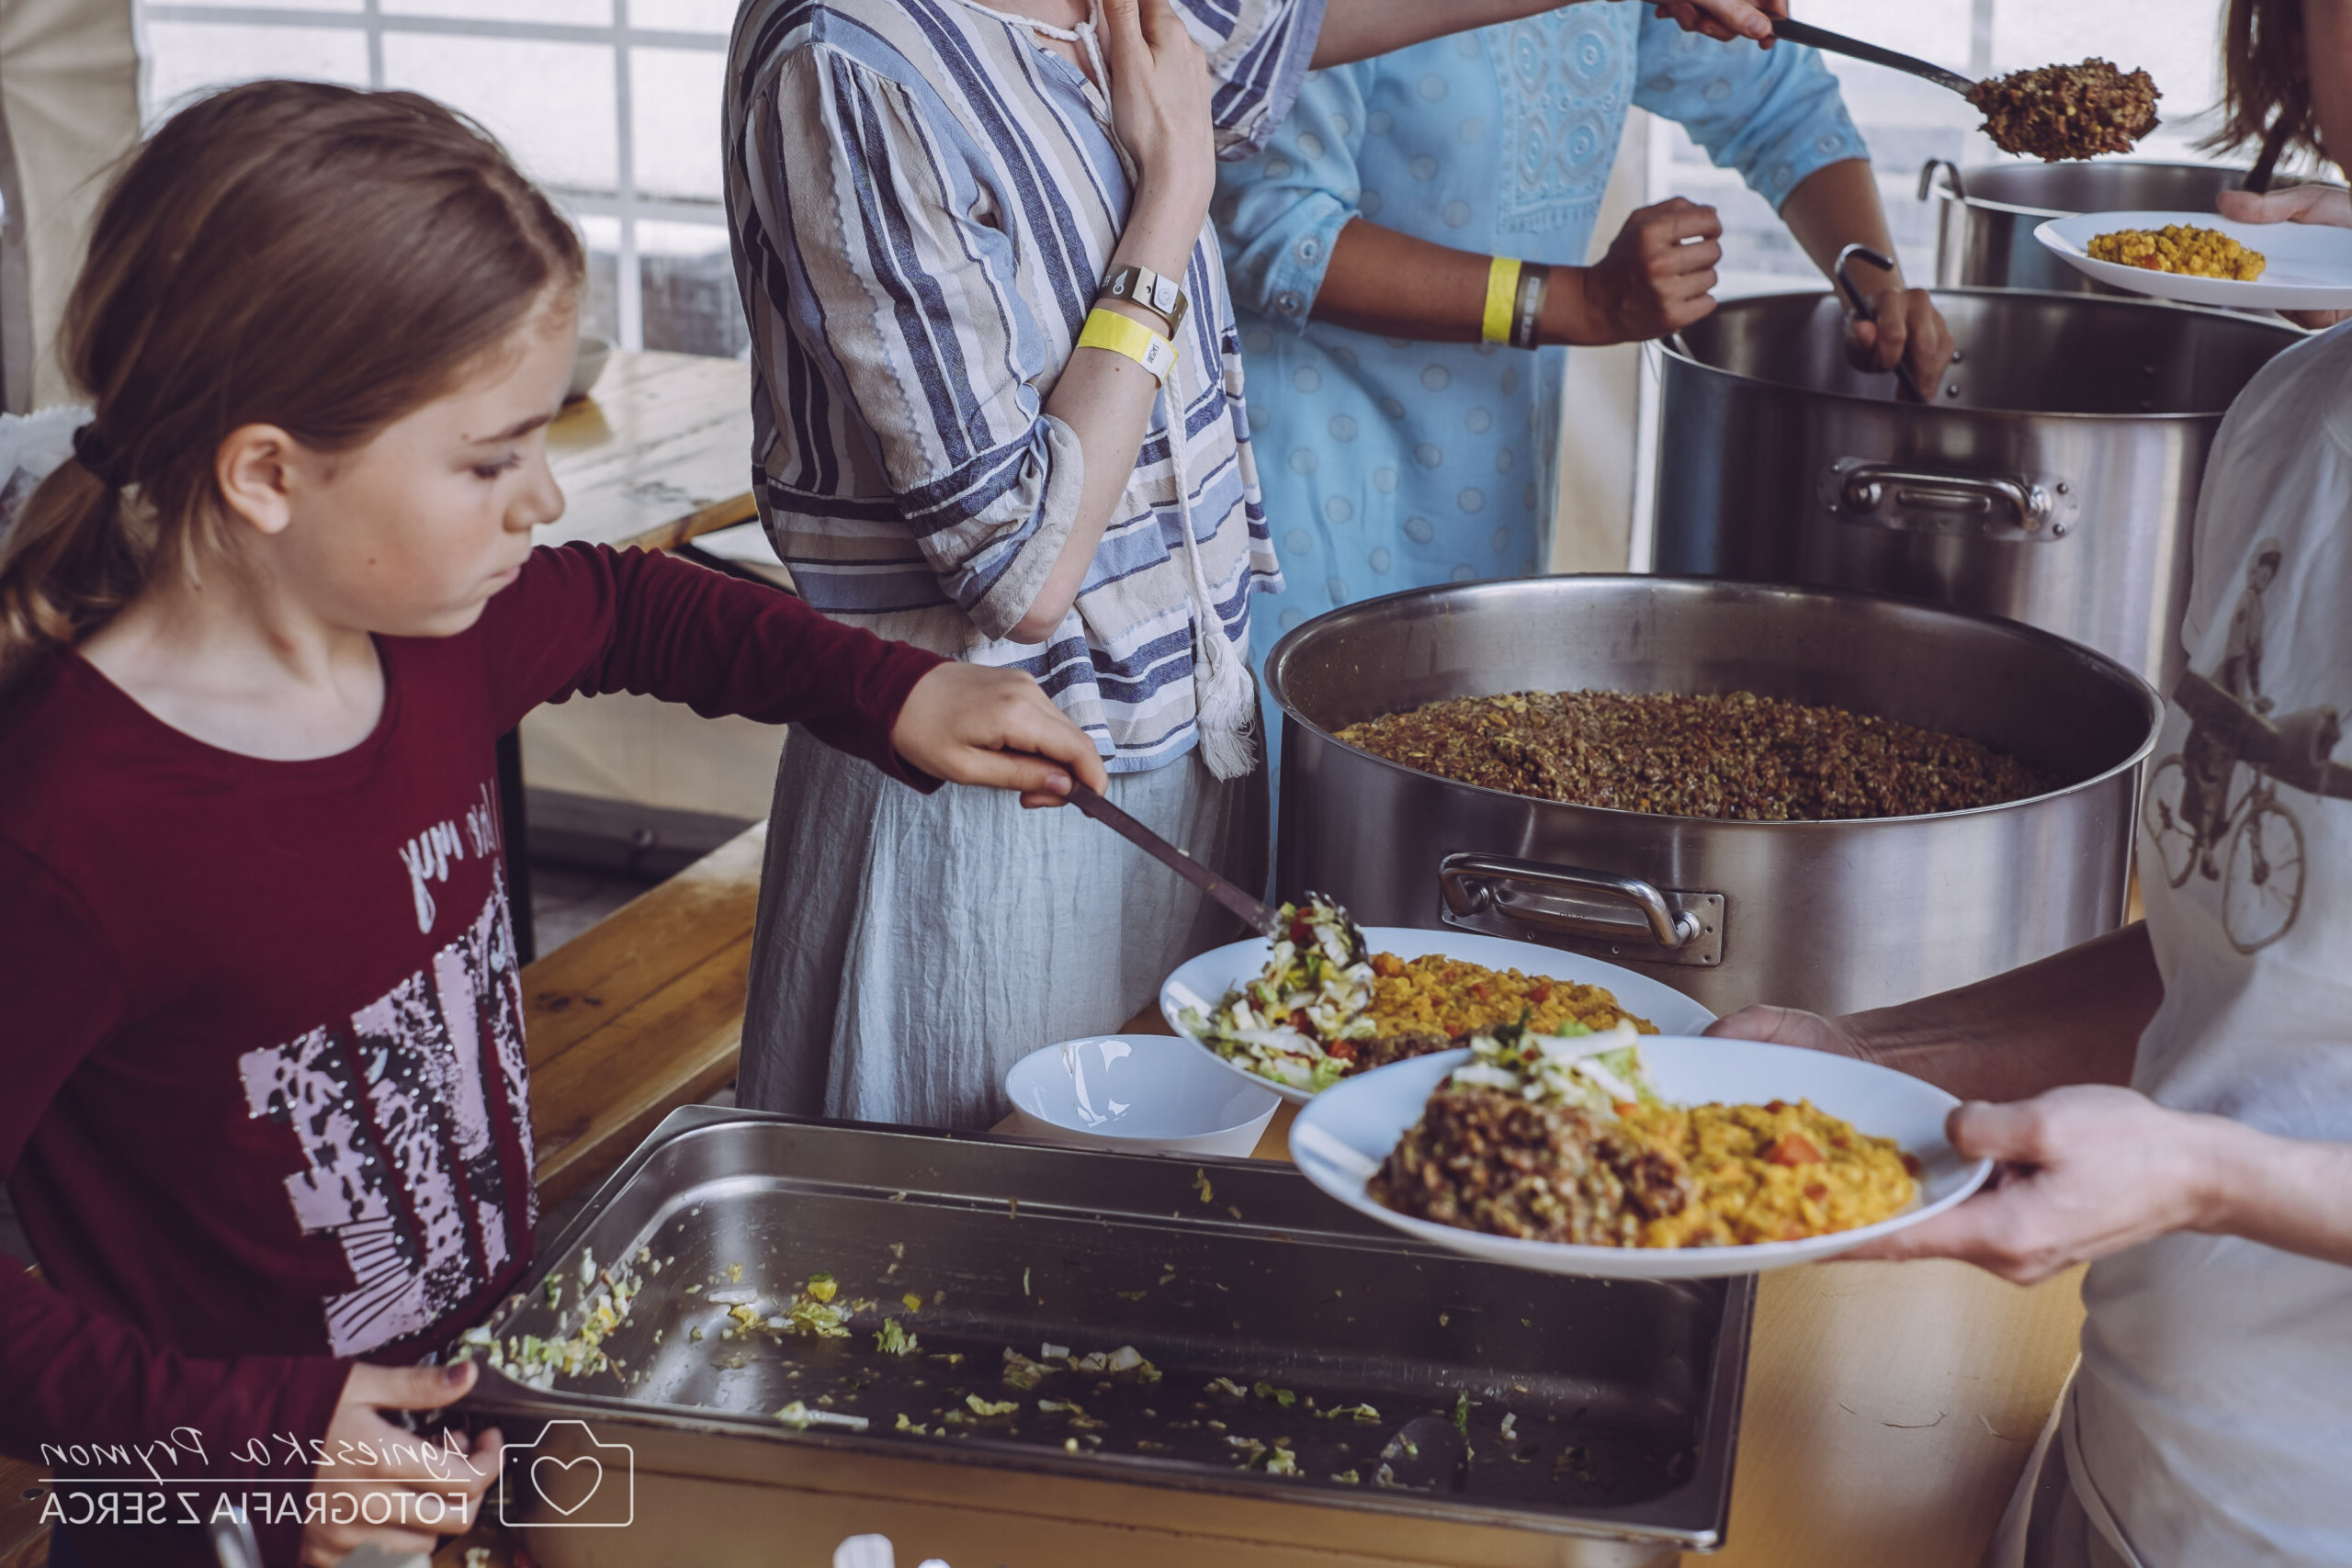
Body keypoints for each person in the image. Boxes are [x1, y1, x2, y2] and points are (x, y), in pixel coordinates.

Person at [0, 81, 1103, 1568]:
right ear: (266, 472)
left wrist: (890, 693)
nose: (547, 494)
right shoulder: (69, 834)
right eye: (488, 458)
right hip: (219, 1507)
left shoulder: (435, 632)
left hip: (481, 1414)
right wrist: (252, 1442)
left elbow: (634, 603)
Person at [722, 0, 1785, 1130]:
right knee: (951, 1252)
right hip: (981, 815)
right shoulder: (848, 64)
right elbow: (1023, 567)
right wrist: (1174, 198)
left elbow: (1290, 22)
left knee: (1166, 1248)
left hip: (1187, 760)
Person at [1714, 3, 2352, 1561]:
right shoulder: (2289, 421)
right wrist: (1867, 1056)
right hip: (2124, 1464)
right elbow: (2257, 967)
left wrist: (2206, 1173)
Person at [1213, 7, 1952, 762]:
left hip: (1495, 502)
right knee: (1306, 819)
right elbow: (1275, 229)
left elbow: (1777, 100)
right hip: (1297, 499)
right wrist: (1574, 302)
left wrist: (1875, 283)